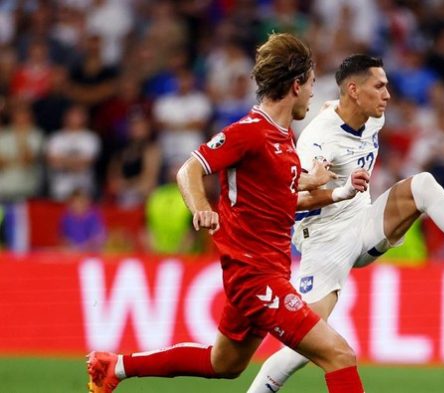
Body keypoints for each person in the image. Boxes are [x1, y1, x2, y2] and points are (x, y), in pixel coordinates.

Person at [86, 33, 370, 393]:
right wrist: (201, 208)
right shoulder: (248, 132)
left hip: (262, 273)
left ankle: (116, 367)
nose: (314, 94)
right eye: (312, 84)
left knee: (224, 364)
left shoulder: (283, 140)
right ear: (296, 85)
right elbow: (188, 170)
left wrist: (337, 191)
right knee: (339, 354)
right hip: (256, 277)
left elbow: (286, 201)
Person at [247, 54, 444, 393]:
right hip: (324, 240)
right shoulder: (317, 141)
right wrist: (340, 191)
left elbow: (336, 109)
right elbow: (292, 200)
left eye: (387, 86)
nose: (387, 95)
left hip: (363, 223)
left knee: (422, 184)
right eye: (379, 86)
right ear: (354, 90)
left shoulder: (371, 118)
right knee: (304, 344)